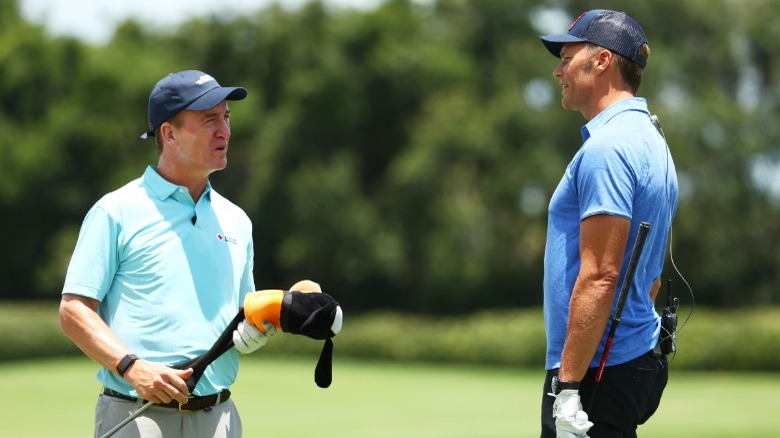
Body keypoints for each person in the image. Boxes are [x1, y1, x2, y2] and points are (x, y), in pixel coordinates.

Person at [60, 70, 282, 438]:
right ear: (170, 133)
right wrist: (131, 367)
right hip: (137, 416)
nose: (224, 130)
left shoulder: (238, 220)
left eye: (226, 118)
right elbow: (74, 311)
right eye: (209, 119)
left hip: (220, 418)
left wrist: (283, 312)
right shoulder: (115, 211)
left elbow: (244, 318)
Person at [538, 10, 678, 438]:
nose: (558, 70)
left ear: (601, 61)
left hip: (597, 369)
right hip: (630, 359)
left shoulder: (608, 149)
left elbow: (600, 275)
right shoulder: (650, 140)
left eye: (567, 57)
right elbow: (650, 279)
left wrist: (567, 386)